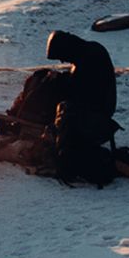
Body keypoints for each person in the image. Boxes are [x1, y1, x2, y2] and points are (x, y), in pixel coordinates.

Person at [43, 30, 119, 185]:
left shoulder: (88, 59)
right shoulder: (92, 50)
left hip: (96, 112)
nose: (64, 60)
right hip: (99, 106)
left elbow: (79, 92)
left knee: (63, 108)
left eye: (62, 56)